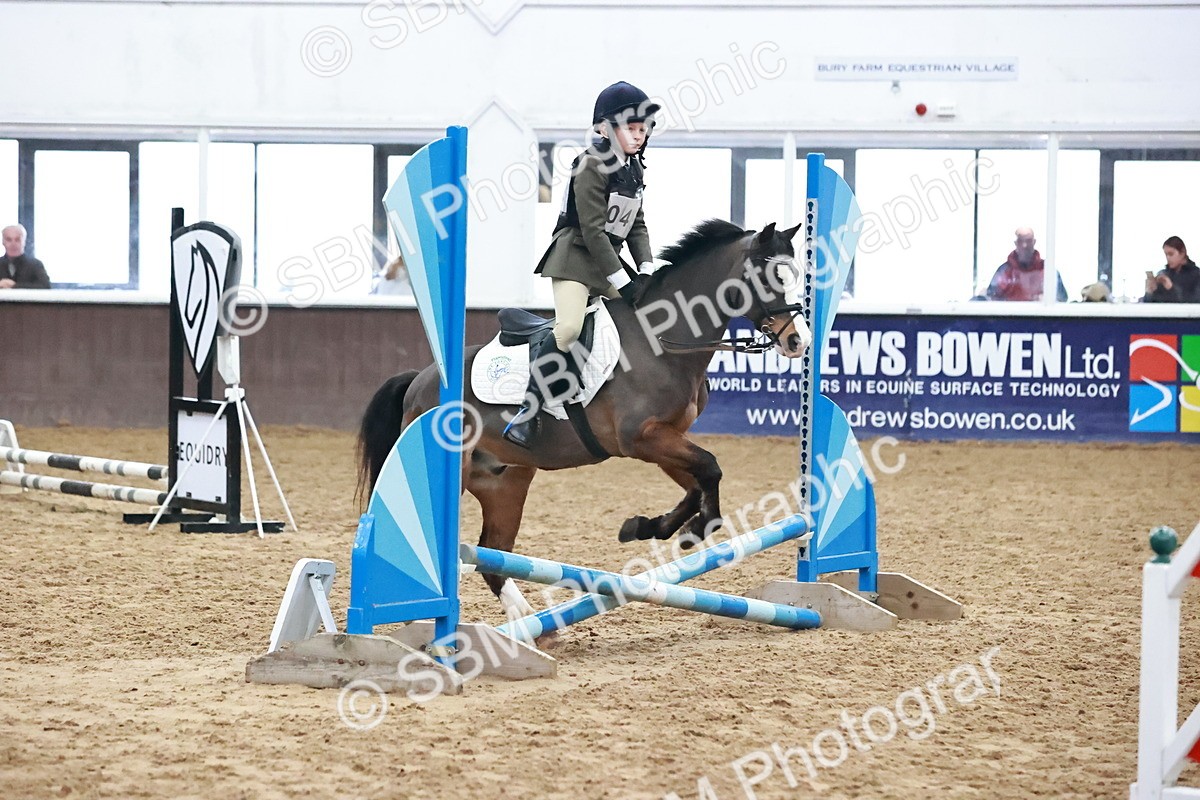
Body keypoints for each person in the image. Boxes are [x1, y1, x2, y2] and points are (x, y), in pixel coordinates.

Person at [503, 81, 660, 448]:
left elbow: (636, 225)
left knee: (645, 315)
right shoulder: (590, 164)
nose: (639, 135)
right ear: (605, 129)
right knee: (570, 328)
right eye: (631, 128)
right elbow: (592, 231)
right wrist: (623, 281)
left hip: (606, 262)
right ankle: (527, 411)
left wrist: (647, 271)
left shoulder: (633, 170)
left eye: (643, 128)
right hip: (574, 258)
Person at [985, 227, 1066, 302]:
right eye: (1020, 241)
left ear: (1034, 242)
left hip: (1039, 313)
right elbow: (991, 297)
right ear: (1016, 243)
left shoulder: (1047, 270)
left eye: (1028, 241)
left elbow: (1062, 299)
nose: (1025, 245)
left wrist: (1047, 299)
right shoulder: (1004, 271)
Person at [1143, 236, 1200, 303]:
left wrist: (1171, 288)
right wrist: (1150, 292)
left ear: (1182, 253)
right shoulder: (1164, 274)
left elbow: (1194, 301)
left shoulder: (1196, 275)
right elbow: (1151, 303)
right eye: (1166, 255)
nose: (1168, 258)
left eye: (1171, 254)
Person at [0, 224, 51, 289]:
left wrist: (15, 286)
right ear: (3, 242)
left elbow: (45, 286)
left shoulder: (35, 265)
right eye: (9, 240)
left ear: (24, 242)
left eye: (17, 240)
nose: (13, 244)